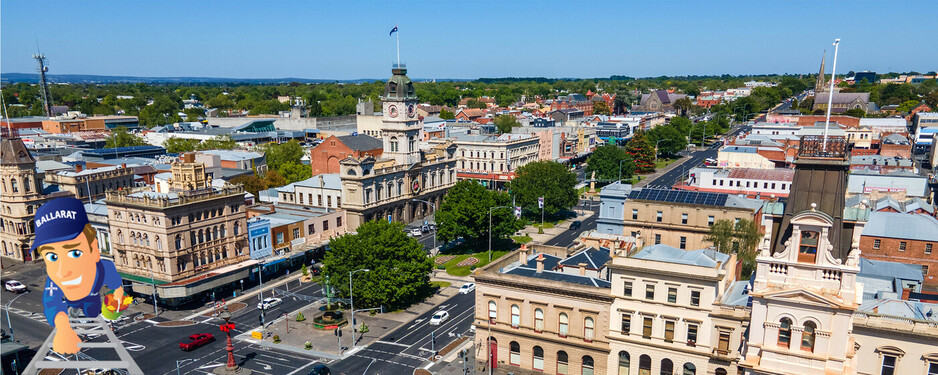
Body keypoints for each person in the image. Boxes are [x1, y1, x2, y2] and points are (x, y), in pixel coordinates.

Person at [33, 197, 124, 354]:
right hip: (72, 301)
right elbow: (52, 303)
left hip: (92, 298)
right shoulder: (55, 280)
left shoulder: (103, 268)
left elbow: (116, 283)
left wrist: (117, 297)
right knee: (76, 309)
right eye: (52, 257)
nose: (64, 271)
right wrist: (63, 328)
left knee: (92, 311)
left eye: (75, 253)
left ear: (94, 249)